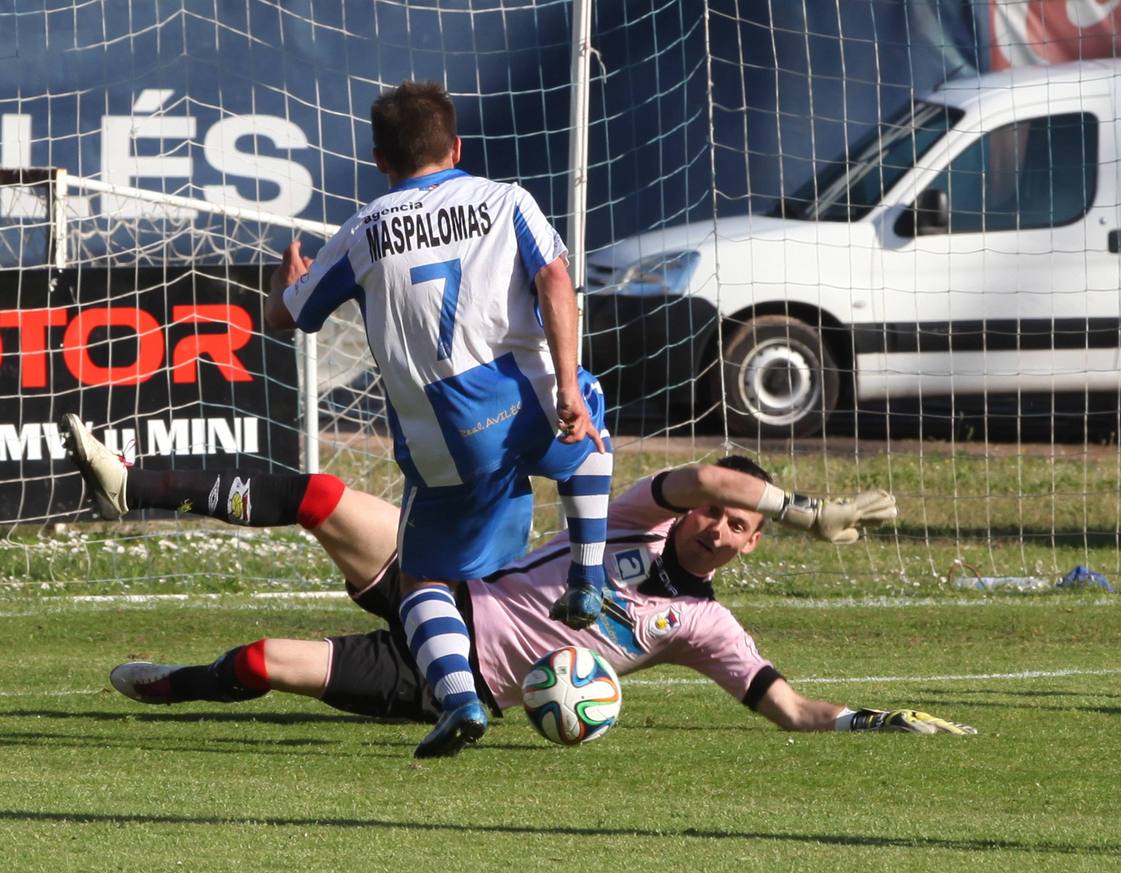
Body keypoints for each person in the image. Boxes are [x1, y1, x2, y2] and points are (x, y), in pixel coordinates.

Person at [61, 416, 977, 745]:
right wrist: (800, 506)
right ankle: (132, 486)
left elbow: (788, 708)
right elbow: (702, 475)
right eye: (721, 515)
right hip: (455, 574)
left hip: (441, 677)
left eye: (742, 530)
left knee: (261, 663)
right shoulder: (630, 517)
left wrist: (877, 719)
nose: (725, 531)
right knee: (322, 494)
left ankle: (167, 687)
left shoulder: (706, 631)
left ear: (746, 550)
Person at [262, 81, 612, 755]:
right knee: (587, 423)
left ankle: (458, 702)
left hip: (447, 435)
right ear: (456, 146)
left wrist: (288, 278)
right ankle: (587, 580)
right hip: (527, 396)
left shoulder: (362, 230)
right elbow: (557, 281)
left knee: (423, 578)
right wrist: (567, 384)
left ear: (378, 160)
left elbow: (287, 318)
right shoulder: (506, 200)